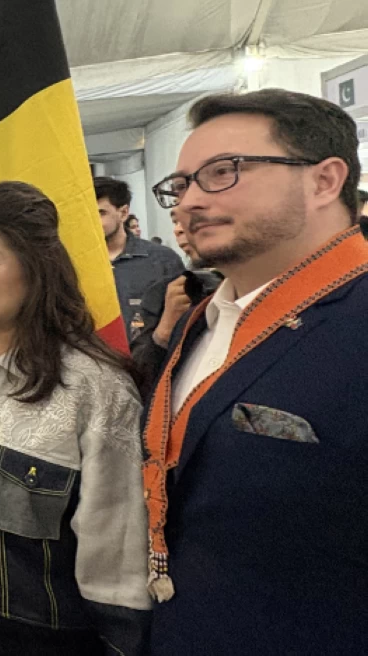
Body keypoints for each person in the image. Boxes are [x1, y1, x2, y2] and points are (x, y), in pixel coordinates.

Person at [144, 89, 368, 655]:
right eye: (181, 185)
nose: (189, 202)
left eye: (223, 172)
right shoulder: (201, 320)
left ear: (324, 181)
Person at [0, 182, 151, 656]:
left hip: (50, 637)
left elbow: (116, 545)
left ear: (36, 271)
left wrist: (122, 642)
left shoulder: (92, 386)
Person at [129, 212, 222, 400]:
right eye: (175, 221)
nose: (178, 229)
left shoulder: (256, 287)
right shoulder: (161, 293)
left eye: (193, 216)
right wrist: (164, 332)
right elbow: (139, 379)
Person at [95, 176, 185, 338]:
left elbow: (183, 320)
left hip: (151, 351)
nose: (92, 222)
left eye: (100, 213)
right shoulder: (74, 263)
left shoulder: (162, 260)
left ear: (123, 213)